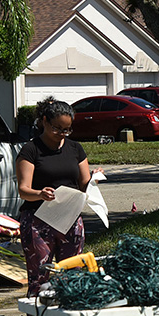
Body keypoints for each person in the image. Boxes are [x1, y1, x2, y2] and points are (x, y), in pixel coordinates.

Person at [15, 97, 98, 296]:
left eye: (67, 129)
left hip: (70, 219)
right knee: (39, 279)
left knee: (72, 279)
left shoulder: (75, 149)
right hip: (38, 220)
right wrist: (40, 194)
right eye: (57, 128)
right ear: (44, 121)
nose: (62, 134)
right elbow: (23, 189)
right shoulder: (31, 150)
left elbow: (85, 184)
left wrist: (95, 178)